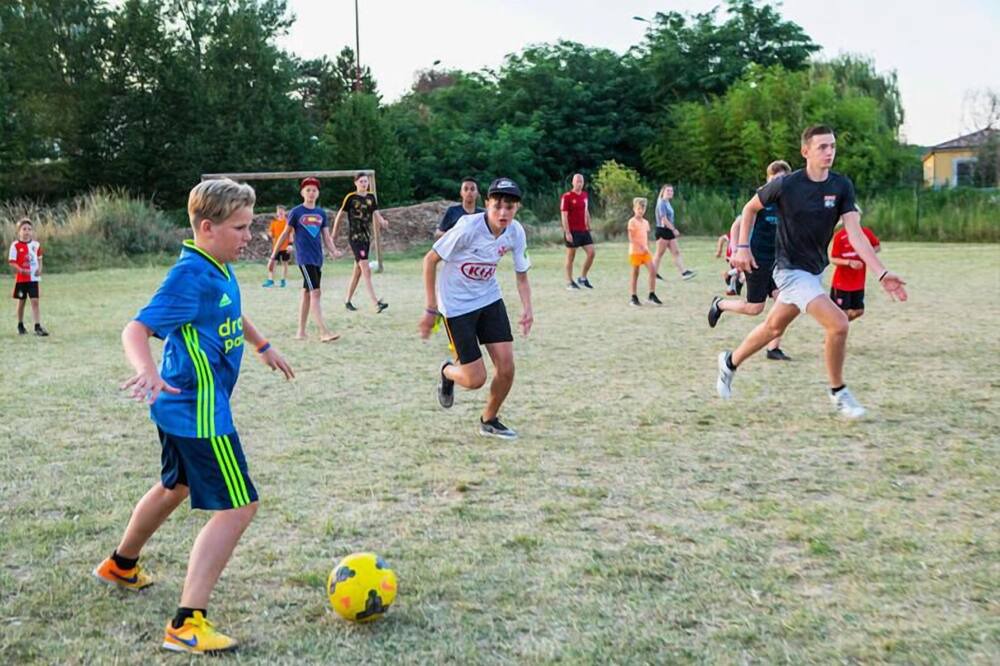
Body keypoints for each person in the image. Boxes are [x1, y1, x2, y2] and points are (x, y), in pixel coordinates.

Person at [92, 179, 294, 654]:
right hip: (200, 412)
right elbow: (136, 329)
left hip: (181, 410)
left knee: (174, 487)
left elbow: (227, 311)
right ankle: (187, 623)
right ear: (207, 227)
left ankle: (121, 564)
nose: (251, 235)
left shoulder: (217, 266)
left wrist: (261, 345)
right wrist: (147, 370)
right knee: (238, 506)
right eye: (241, 227)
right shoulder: (189, 275)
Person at [716, 125, 907, 419]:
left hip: (814, 270)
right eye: (822, 147)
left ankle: (729, 362)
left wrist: (881, 273)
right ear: (806, 151)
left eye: (832, 146)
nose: (829, 152)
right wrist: (742, 246)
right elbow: (749, 209)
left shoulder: (841, 186)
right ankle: (839, 392)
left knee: (773, 328)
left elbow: (855, 234)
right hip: (789, 270)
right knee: (839, 324)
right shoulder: (786, 185)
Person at [418, 177, 533, 440]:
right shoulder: (467, 228)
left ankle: (489, 419)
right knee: (474, 379)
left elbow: (522, 274)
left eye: (510, 207)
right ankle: (447, 372)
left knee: (507, 367)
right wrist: (430, 308)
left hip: (489, 299)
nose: (503, 213)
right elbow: (430, 260)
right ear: (487, 204)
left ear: (517, 208)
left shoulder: (516, 232)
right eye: (497, 206)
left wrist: (527, 308)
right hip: (456, 306)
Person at [708, 160, 792, 361]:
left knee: (785, 300)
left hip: (778, 260)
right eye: (774, 180)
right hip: (757, 258)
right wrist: (738, 250)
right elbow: (737, 225)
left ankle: (774, 348)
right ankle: (720, 304)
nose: (777, 184)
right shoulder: (763, 198)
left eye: (782, 180)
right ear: (768, 180)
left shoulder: (789, 200)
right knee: (755, 308)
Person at [268, 177, 341, 341]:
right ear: (302, 193)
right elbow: (284, 235)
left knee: (307, 293)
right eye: (308, 190)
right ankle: (323, 332)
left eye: (314, 190)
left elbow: (327, 237)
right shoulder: (296, 212)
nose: (311, 193)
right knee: (316, 292)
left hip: (317, 259)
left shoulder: (321, 213)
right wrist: (273, 256)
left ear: (318, 193)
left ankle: (300, 332)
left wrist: (334, 251)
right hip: (304, 258)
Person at [332, 173, 389, 313]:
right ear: (356, 183)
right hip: (355, 237)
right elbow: (340, 214)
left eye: (366, 181)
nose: (364, 184)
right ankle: (376, 303)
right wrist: (334, 234)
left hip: (366, 237)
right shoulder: (351, 198)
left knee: (357, 271)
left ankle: (347, 301)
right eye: (362, 181)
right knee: (366, 269)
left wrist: (382, 221)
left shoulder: (371, 197)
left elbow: (375, 212)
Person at [829, 222, 880, 321]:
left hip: (858, 282)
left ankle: (838, 326)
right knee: (841, 312)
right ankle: (838, 327)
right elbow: (833, 259)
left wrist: (866, 254)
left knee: (859, 310)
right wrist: (849, 262)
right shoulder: (840, 236)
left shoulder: (866, 233)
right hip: (842, 283)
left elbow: (877, 247)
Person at [8, 218, 48, 336]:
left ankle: (37, 326)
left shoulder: (36, 245)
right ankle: (20, 324)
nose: (27, 232)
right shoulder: (15, 245)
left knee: (35, 301)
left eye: (29, 229)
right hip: (21, 280)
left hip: (33, 279)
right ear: (19, 231)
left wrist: (40, 269)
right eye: (24, 229)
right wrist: (20, 269)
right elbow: (12, 261)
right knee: (22, 301)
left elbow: (40, 259)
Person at [652, 184, 695, 281]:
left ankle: (684, 272)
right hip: (663, 231)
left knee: (676, 252)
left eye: (671, 191)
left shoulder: (667, 203)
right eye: (668, 191)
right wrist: (673, 229)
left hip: (669, 231)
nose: (670, 193)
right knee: (659, 253)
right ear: (663, 192)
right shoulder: (661, 203)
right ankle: (653, 273)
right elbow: (664, 219)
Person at [561, 173, 595, 290]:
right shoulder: (567, 196)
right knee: (571, 256)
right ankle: (569, 281)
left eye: (581, 181)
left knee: (591, 253)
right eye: (577, 181)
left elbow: (586, 211)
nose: (579, 184)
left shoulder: (585, 195)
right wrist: (567, 232)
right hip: (572, 230)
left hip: (583, 230)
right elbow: (564, 215)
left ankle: (583, 278)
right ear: (573, 182)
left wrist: (589, 224)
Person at [626, 198, 663, 306]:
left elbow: (645, 236)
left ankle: (651, 294)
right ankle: (633, 296)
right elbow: (631, 237)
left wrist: (647, 246)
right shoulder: (632, 222)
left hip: (645, 252)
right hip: (635, 251)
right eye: (638, 208)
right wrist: (641, 246)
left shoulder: (645, 222)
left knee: (652, 270)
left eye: (642, 208)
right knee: (635, 273)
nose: (640, 211)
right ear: (634, 209)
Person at [262, 205, 291, 288]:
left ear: (284, 212)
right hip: (276, 247)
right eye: (279, 211)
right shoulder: (274, 223)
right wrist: (268, 235)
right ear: (277, 212)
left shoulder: (288, 223)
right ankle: (270, 280)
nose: (280, 213)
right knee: (273, 263)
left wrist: (290, 245)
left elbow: (291, 234)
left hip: (285, 247)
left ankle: (283, 280)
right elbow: (271, 234)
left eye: (282, 211)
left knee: (284, 264)